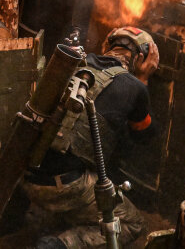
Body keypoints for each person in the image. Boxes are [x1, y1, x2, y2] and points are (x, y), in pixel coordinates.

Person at [25, 26, 160, 249]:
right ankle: (59, 245)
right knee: (133, 223)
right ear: (141, 58)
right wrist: (143, 79)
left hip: (26, 172)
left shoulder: (75, 62)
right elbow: (144, 136)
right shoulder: (135, 87)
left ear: (106, 46)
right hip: (65, 187)